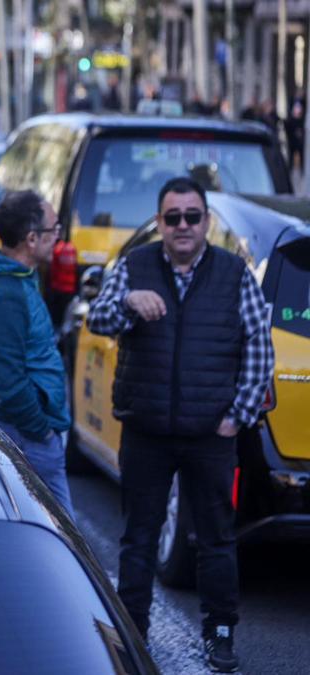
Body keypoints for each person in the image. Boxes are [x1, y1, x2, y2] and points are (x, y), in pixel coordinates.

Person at [86, 177, 273, 673]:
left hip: (212, 435)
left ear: (206, 221)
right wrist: (127, 302)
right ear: (160, 223)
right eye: (173, 217)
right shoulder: (135, 265)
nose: (184, 226)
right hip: (146, 431)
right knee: (138, 540)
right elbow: (97, 320)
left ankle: (220, 634)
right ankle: (132, 633)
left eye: (193, 216)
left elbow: (259, 346)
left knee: (216, 540)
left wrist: (238, 416)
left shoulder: (234, 274)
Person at [0, 190, 73, 514]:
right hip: (25, 436)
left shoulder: (18, 278)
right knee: (63, 541)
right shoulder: (6, 296)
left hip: (24, 432)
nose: (58, 237)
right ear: (31, 239)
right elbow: (9, 383)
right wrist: (42, 431)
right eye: (54, 230)